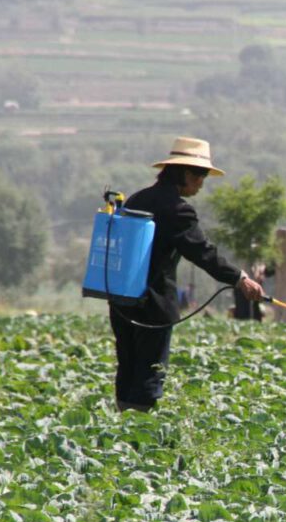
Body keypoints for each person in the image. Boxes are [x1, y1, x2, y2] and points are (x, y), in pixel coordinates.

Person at [110, 136, 264, 412]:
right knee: (149, 371)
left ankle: (122, 430)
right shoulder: (177, 209)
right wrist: (240, 278)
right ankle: (136, 437)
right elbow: (203, 252)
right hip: (152, 305)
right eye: (201, 176)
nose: (202, 183)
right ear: (185, 173)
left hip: (121, 300)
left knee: (129, 366)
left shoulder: (137, 199)